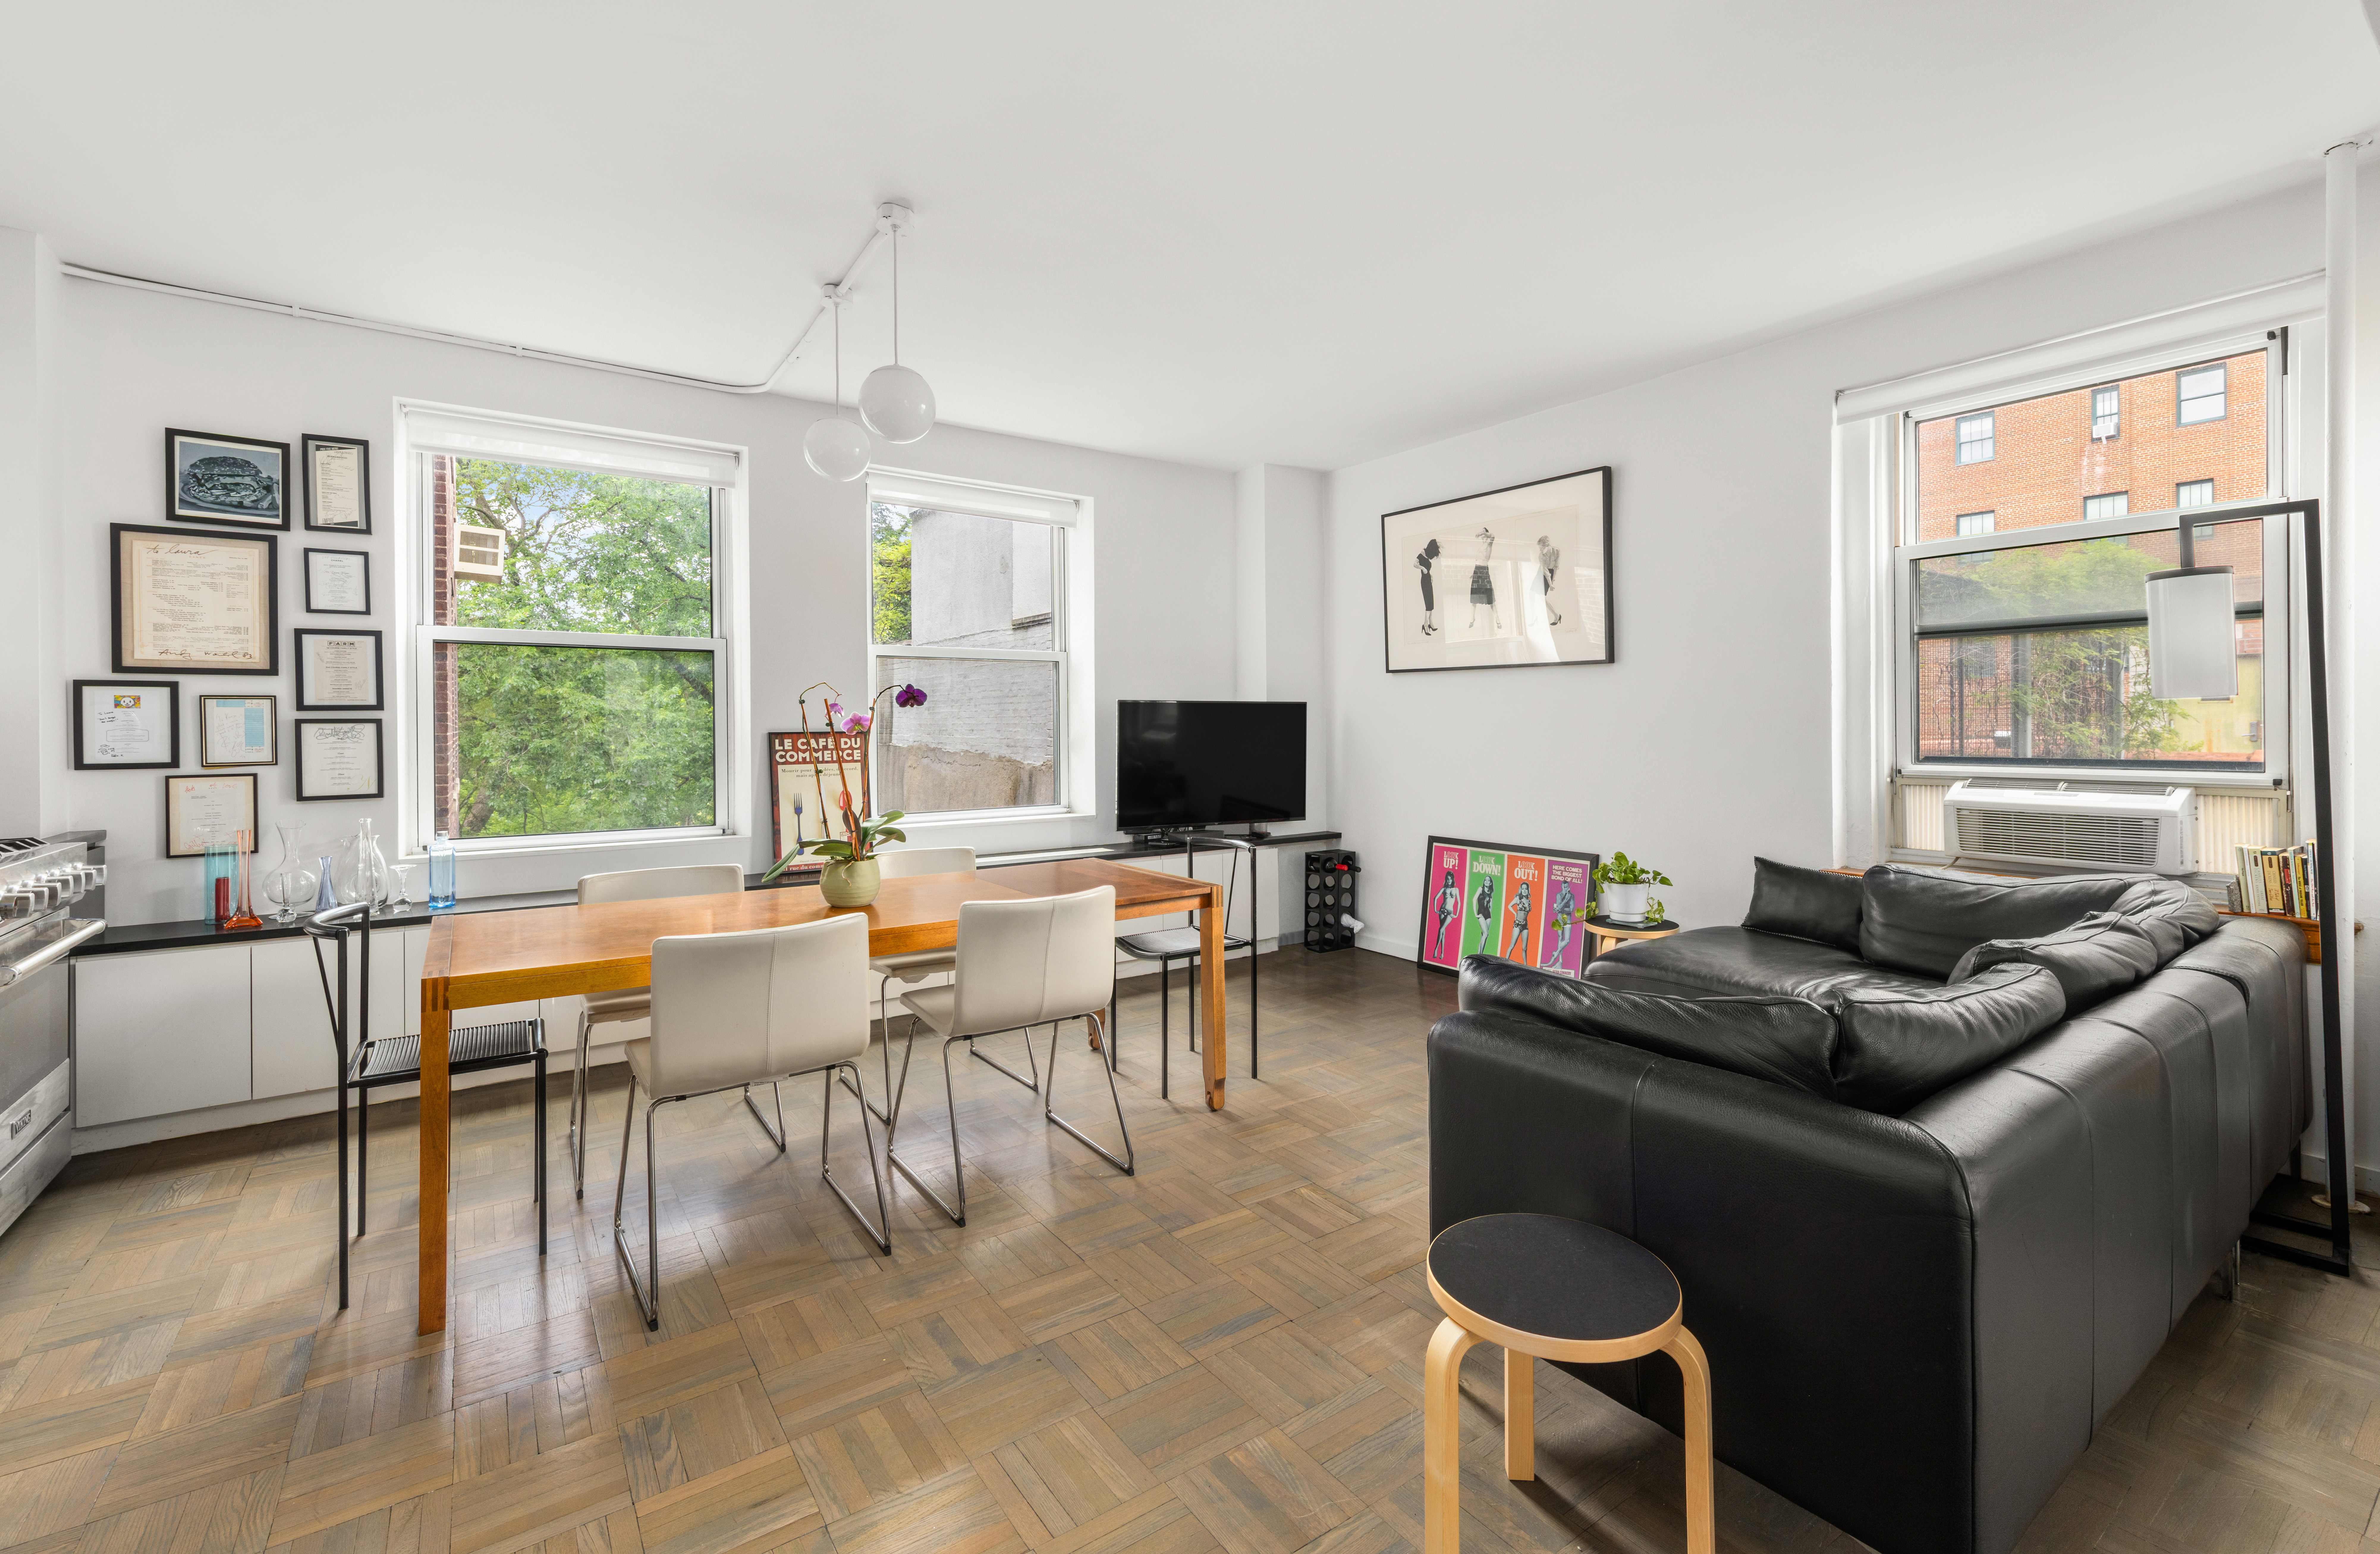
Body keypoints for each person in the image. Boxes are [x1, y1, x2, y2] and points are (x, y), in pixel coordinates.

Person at [1541, 877, 1578, 970]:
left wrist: (1560, 909)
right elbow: (1560, 907)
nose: (1566, 889)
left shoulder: (1572, 896)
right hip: (1560, 919)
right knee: (1560, 939)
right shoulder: (1559, 895)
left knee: (1567, 940)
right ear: (1562, 887)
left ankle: (1556, 953)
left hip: (1568, 920)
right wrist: (1565, 902)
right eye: (1564, 887)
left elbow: (1572, 910)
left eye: (1567, 887)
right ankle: (1560, 961)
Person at [1468, 527, 1500, 631]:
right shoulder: (1482, 546)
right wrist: (1474, 574)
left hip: (1484, 571)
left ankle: (1498, 619)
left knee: (1490, 598)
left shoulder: (1489, 543)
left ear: (1486, 533)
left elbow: (1493, 536)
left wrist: (1483, 533)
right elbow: (1478, 561)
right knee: (1475, 598)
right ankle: (1473, 618)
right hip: (1478, 571)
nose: (1482, 535)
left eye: (1483, 532)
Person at [1414, 537, 1441, 636]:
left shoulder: (1428, 557)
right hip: (1425, 582)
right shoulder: (1422, 554)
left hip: (1429, 580)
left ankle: (1431, 624)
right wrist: (1423, 568)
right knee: (1429, 604)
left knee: (1431, 604)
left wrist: (1431, 575)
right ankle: (1426, 625)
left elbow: (1428, 570)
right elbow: (1415, 564)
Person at [1430, 867, 1460, 957]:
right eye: (1448, 879)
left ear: (1453, 879)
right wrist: (1436, 910)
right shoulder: (1444, 889)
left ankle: (1436, 950)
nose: (1449, 880)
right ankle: (1442, 954)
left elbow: (1459, 903)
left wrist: (1457, 915)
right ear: (1446, 879)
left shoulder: (1456, 890)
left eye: (1451, 879)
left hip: (1450, 913)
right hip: (1442, 911)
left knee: (1441, 929)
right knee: (1443, 932)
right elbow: (1435, 898)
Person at [1536, 535, 1563, 627]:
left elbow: (1556, 568)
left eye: (1542, 547)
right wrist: (1551, 584)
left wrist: (1553, 581)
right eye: (1539, 548)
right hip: (1543, 573)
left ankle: (1557, 615)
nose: (1540, 549)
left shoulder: (1557, 552)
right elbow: (1545, 571)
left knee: (1542, 597)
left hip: (1551, 573)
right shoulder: (1541, 556)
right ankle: (1537, 618)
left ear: (1548, 546)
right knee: (1534, 595)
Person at [1503, 879, 1532, 960]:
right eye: (1523, 889)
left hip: (1525, 925)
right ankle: (1505, 962)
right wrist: (1515, 914)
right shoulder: (1518, 899)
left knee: (1525, 948)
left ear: (1528, 890)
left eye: (1526, 889)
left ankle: (1526, 967)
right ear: (1521, 890)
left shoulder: (1529, 902)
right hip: (1518, 924)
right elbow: (1509, 906)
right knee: (1512, 946)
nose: (1524, 891)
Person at [1471, 871, 1495, 951]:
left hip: (1488, 916)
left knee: (1484, 936)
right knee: (1486, 933)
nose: (1487, 881)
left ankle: (1478, 956)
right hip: (1481, 913)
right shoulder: (1480, 889)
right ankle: (1481, 956)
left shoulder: (1490, 894)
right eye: (1486, 880)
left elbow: (1491, 907)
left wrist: (1489, 912)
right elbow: (1474, 900)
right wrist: (1476, 914)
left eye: (1489, 880)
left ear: (1491, 883)